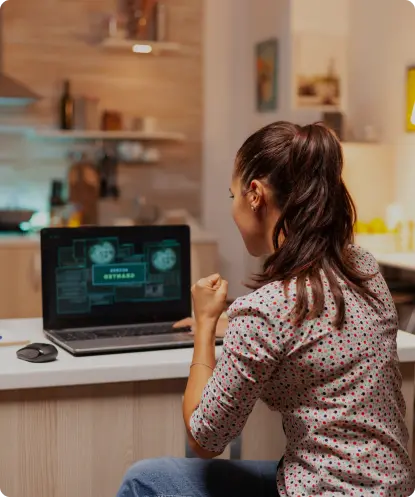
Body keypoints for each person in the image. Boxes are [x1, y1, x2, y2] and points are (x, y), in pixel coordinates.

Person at [116, 121, 414, 496]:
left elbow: (205, 439)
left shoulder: (267, 309)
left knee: (144, 479)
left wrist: (207, 324)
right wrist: (234, 321)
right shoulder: (364, 268)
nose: (232, 210)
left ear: (254, 194)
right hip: (393, 488)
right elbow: (308, 329)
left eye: (232, 197)